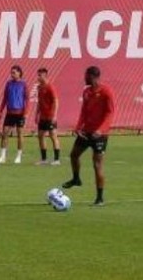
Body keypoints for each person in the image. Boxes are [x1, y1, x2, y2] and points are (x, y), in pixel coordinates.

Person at [62, 66, 115, 207]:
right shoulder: (86, 92)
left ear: (93, 76)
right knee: (73, 155)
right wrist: (78, 127)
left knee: (97, 165)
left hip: (100, 135)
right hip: (86, 132)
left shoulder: (106, 92)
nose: (84, 78)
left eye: (86, 75)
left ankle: (100, 198)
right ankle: (76, 179)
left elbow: (110, 113)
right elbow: (83, 112)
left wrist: (101, 130)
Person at [0, 65, 29, 164]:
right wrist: (1, 110)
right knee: (4, 134)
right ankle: (2, 157)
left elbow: (27, 100)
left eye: (14, 72)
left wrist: (26, 112)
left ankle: (18, 157)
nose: (12, 74)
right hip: (9, 113)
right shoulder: (8, 83)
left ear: (19, 73)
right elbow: (5, 98)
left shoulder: (24, 84)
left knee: (20, 135)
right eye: (11, 72)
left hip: (20, 113)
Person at [35, 68, 62, 166]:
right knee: (40, 136)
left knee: (53, 136)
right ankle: (44, 159)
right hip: (42, 117)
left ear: (45, 76)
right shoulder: (39, 88)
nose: (38, 77)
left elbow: (56, 101)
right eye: (38, 75)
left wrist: (54, 115)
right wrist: (36, 114)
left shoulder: (50, 87)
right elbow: (39, 102)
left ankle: (57, 159)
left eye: (40, 75)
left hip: (50, 117)